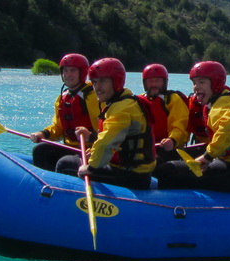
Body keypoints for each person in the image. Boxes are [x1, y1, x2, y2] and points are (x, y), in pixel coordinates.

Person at [155, 61, 230, 192]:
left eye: (201, 82)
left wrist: (207, 157)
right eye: (194, 83)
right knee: (172, 166)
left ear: (216, 83)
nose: (196, 87)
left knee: (169, 171)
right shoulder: (222, 99)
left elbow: (229, 128)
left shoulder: (223, 103)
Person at [55, 57, 157, 189]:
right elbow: (115, 137)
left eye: (103, 81)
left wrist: (91, 166)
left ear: (116, 81)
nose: (97, 87)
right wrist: (92, 145)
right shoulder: (122, 102)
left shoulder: (123, 108)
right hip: (129, 170)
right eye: (94, 82)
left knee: (65, 164)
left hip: (131, 176)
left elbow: (107, 142)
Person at [30, 53, 101, 170]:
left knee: (65, 163)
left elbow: (105, 129)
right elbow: (58, 128)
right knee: (40, 149)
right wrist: (43, 134)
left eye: (73, 70)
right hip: (70, 148)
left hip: (90, 150)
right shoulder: (62, 98)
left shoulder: (94, 97)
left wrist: (92, 136)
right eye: (65, 70)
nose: (68, 75)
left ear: (82, 72)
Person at [140, 63, 189, 162]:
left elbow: (180, 125)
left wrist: (173, 140)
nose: (153, 84)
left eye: (157, 81)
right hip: (146, 147)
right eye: (150, 81)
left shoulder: (173, 100)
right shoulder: (139, 100)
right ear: (145, 83)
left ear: (164, 82)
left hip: (168, 148)